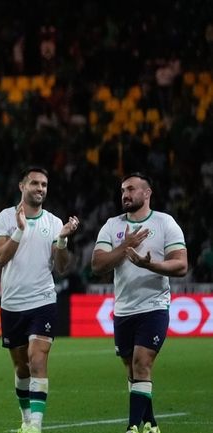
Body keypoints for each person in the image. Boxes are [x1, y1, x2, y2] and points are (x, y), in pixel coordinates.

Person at [91, 173, 187, 433]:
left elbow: (181, 264)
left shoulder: (165, 223)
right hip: (123, 309)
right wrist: (126, 245)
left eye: (131, 189)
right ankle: (151, 423)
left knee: (142, 363)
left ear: (147, 193)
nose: (125, 194)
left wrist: (151, 265)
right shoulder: (112, 226)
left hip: (154, 306)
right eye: (123, 190)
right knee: (133, 370)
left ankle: (133, 427)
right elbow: (97, 264)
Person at [0, 167, 79, 433]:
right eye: (35, 183)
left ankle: (36, 426)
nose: (40, 188)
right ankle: (26, 419)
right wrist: (19, 231)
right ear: (22, 186)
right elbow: (0, 258)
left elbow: (62, 267)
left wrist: (62, 240)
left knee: (37, 359)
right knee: (21, 367)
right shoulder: (4, 218)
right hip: (12, 304)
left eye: (44, 185)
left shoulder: (53, 222)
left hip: (42, 301)